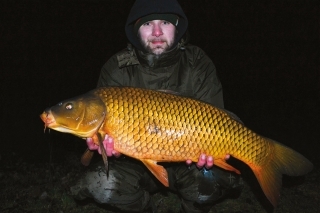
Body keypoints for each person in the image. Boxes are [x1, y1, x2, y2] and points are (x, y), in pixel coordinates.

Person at [70, 0, 243, 212]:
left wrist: (211, 153)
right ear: (135, 31)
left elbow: (217, 122)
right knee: (99, 183)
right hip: (134, 163)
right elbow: (103, 140)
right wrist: (107, 149)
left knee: (212, 180)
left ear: (177, 27)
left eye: (165, 23)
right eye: (147, 24)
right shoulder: (116, 69)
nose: (157, 32)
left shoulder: (197, 63)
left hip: (188, 161)